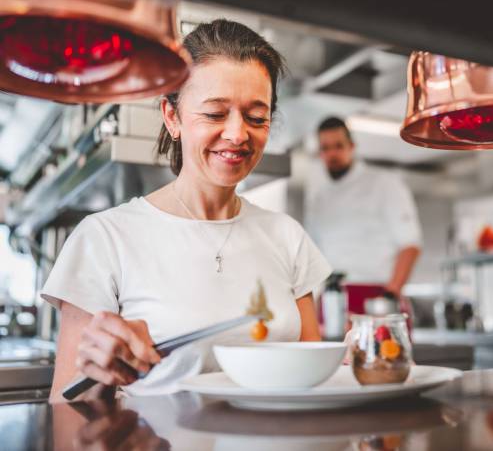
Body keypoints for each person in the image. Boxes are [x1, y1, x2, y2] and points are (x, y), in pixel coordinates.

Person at [42, 20, 331, 401]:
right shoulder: (104, 239)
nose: (237, 134)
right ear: (172, 116)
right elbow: (67, 408)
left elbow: (313, 378)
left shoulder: (287, 236)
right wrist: (103, 375)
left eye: (256, 117)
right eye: (214, 114)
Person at [304, 117, 422, 316]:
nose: (332, 154)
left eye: (338, 146)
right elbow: (313, 257)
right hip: (331, 300)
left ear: (352, 146)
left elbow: (410, 245)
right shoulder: (318, 199)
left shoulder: (385, 184)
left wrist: (391, 294)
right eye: (325, 148)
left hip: (378, 298)